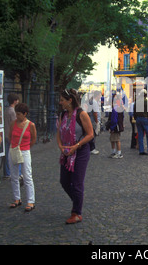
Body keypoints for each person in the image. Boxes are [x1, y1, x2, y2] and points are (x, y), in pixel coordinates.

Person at [57, 88, 94, 224]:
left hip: (80, 151)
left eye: (62, 100)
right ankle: (78, 201)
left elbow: (90, 134)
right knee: (64, 181)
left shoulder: (81, 114)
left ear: (70, 101)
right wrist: (61, 147)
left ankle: (76, 212)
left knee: (77, 182)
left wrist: (76, 146)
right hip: (66, 151)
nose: (60, 103)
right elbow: (59, 133)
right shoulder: (63, 115)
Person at [9, 103, 37, 212]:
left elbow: (34, 139)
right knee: (14, 175)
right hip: (14, 150)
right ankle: (17, 199)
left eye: (19, 114)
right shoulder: (13, 123)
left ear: (25, 114)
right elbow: (10, 136)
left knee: (27, 175)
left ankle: (31, 200)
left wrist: (26, 147)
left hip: (24, 151)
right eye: (16, 113)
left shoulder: (31, 125)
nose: (17, 116)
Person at [4, 93, 19, 179]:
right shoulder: (13, 112)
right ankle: (11, 172)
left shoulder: (6, 110)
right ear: (15, 101)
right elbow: (14, 124)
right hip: (11, 135)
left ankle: (7, 172)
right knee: (13, 154)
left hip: (6, 133)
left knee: (7, 154)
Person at [134, 89, 148, 156]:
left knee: (140, 135)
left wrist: (136, 118)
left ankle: (141, 150)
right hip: (145, 119)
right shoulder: (147, 101)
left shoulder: (137, 101)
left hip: (138, 119)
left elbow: (134, 111)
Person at [108, 94, 124, 159]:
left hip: (115, 127)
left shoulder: (115, 108)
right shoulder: (120, 108)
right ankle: (114, 152)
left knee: (116, 140)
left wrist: (111, 128)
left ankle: (118, 153)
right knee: (114, 139)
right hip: (118, 126)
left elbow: (114, 120)